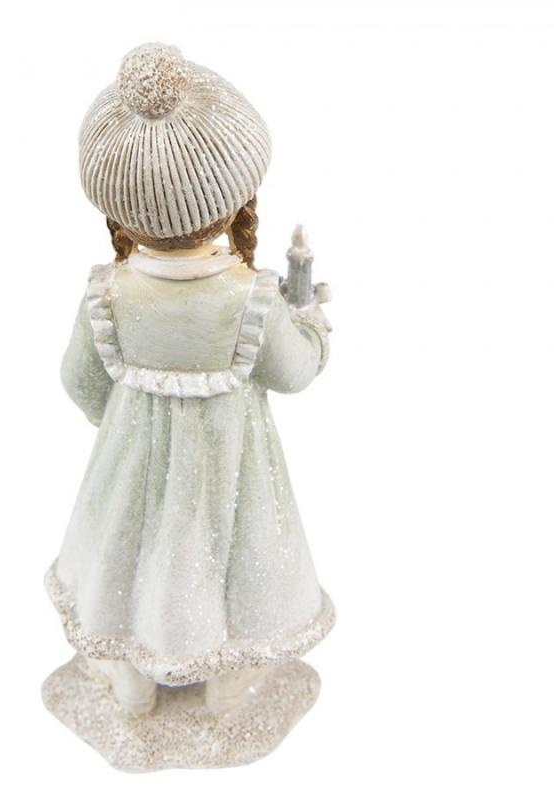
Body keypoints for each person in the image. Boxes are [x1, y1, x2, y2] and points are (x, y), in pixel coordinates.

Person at [46, 43, 334, 715]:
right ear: (234, 202)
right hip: (233, 467)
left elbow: (78, 379)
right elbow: (294, 372)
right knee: (229, 562)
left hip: (131, 461)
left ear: (119, 214)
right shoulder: (251, 297)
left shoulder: (108, 293)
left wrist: (122, 420)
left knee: (131, 556)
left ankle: (133, 678)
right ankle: (228, 679)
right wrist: (311, 322)